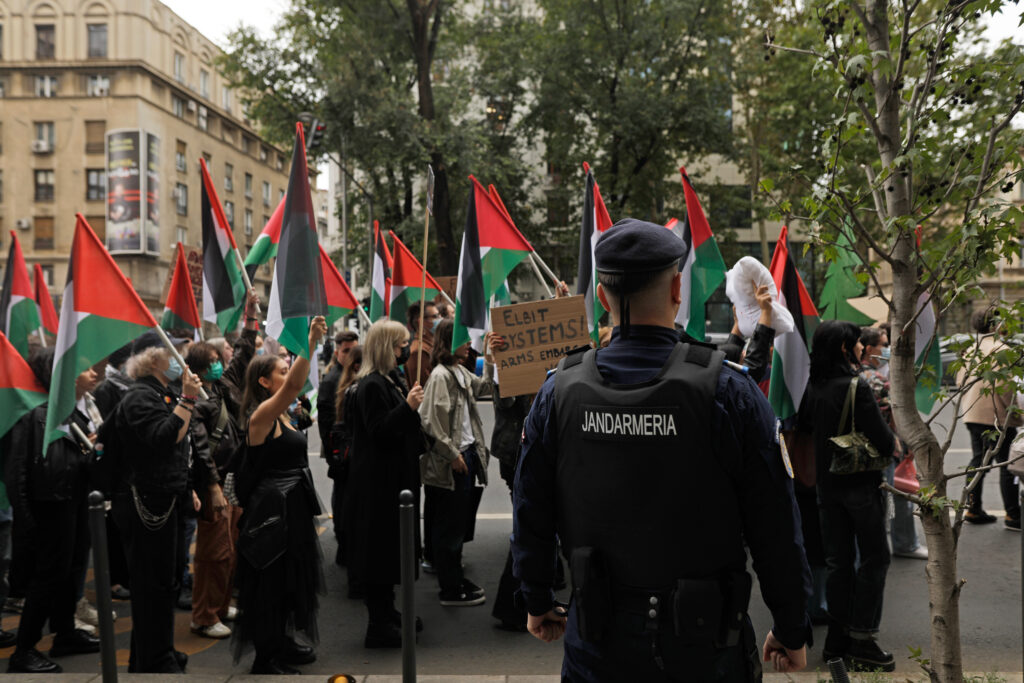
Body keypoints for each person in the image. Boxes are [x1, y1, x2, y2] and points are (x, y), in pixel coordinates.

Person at [512, 219, 811, 681]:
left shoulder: (558, 391)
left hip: (597, 642)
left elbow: (530, 507)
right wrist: (792, 628)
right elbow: (775, 525)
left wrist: (534, 600)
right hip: (706, 648)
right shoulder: (728, 389)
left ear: (603, 293)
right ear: (677, 288)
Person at [798, 320, 896, 671]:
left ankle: (836, 642)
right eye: (857, 343)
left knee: (839, 564)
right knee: (875, 559)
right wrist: (894, 445)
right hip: (861, 487)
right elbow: (883, 440)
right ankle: (863, 639)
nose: (862, 347)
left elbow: (806, 427)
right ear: (844, 348)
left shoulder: (814, 386)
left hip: (827, 489)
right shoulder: (857, 387)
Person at [232, 317, 327, 675]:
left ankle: (282, 642)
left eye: (289, 370)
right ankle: (265, 656)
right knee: (269, 586)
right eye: (282, 372)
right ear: (263, 381)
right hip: (270, 515)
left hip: (293, 508)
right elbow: (295, 387)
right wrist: (310, 344)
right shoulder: (261, 415)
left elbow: (297, 396)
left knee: (289, 582)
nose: (288, 378)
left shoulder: (285, 414)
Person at [4, 348, 101, 673]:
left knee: (71, 571)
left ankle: (65, 633)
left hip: (72, 502)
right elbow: (17, 471)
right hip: (49, 508)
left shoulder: (66, 411)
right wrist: (27, 519)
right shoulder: (35, 415)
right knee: (47, 578)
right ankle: (24, 650)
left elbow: (72, 460)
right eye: (81, 369)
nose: (92, 373)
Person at [110, 339, 203, 673]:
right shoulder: (139, 397)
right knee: (151, 586)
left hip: (167, 497)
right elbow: (164, 438)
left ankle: (155, 652)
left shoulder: (162, 394)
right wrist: (189, 398)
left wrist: (187, 487)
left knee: (166, 583)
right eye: (173, 354)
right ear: (153, 361)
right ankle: (153, 660)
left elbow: (182, 447)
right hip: (146, 502)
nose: (181, 360)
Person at [345, 320, 425, 648]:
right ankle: (378, 624)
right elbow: (379, 430)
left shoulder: (388, 380)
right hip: (378, 488)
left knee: (392, 552)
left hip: (393, 483)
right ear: (386, 346)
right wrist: (408, 407)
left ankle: (389, 612)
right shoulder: (371, 385)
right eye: (399, 344)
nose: (404, 350)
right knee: (379, 555)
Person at [419, 320, 495, 607]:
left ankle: (454, 577)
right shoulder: (440, 376)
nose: (468, 345)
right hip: (453, 461)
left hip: (465, 455)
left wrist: (489, 358)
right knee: (449, 527)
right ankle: (450, 589)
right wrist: (453, 455)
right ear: (450, 343)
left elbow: (484, 386)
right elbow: (430, 422)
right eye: (464, 340)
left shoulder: (458, 371)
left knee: (457, 524)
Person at [859, 327, 926, 560]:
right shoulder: (876, 380)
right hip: (885, 447)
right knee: (898, 493)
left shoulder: (856, 374)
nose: (887, 349)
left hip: (862, 451)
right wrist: (906, 444)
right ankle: (904, 543)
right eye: (883, 344)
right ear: (869, 349)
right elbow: (896, 416)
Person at [959, 310, 1022, 529]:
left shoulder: (971, 350)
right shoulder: (1002, 351)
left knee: (978, 462)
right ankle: (1013, 514)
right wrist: (1017, 415)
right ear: (995, 325)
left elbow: (961, 382)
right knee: (1006, 464)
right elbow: (1007, 390)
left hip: (972, 413)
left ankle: (973, 508)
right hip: (996, 416)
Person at [328, 346, 363, 571]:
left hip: (344, 457)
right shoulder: (354, 388)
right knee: (348, 509)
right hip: (348, 458)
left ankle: (346, 552)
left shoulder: (348, 386)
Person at [317, 330, 359, 449]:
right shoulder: (331, 381)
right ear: (337, 353)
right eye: (346, 351)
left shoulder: (358, 374)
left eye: (354, 350)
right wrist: (335, 455)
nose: (351, 354)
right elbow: (325, 424)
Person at [404, 301, 439, 389]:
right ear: (421, 321)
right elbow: (426, 388)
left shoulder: (432, 345)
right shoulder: (418, 352)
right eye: (435, 317)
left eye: (439, 315)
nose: (440, 319)